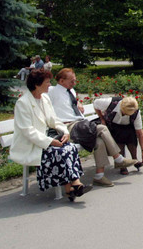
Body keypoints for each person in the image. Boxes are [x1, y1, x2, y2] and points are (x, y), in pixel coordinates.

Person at [48, 68, 137, 187]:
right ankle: (119, 159)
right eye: (71, 81)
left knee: (98, 141)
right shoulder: (52, 90)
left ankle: (99, 176)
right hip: (67, 127)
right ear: (61, 80)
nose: (74, 83)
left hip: (79, 124)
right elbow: (38, 95)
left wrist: (77, 102)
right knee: (102, 128)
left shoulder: (71, 91)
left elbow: (68, 103)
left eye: (75, 81)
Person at [9, 69, 87, 202]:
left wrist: (65, 132)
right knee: (60, 152)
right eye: (47, 82)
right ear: (37, 85)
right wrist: (49, 142)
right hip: (32, 144)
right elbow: (28, 131)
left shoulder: (44, 98)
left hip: (47, 138)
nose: (50, 85)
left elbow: (54, 119)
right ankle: (74, 186)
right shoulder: (23, 103)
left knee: (70, 147)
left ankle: (72, 188)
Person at [93, 96, 143, 175]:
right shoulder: (110, 102)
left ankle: (135, 159)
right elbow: (95, 104)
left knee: (131, 134)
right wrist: (101, 117)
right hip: (112, 126)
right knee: (119, 136)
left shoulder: (135, 112)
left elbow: (139, 132)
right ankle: (122, 165)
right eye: (125, 113)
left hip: (127, 127)